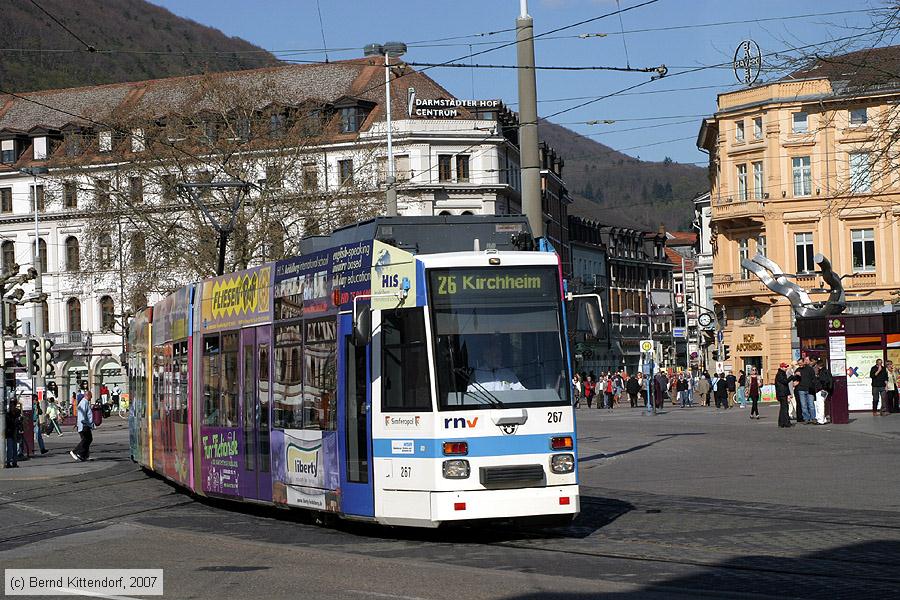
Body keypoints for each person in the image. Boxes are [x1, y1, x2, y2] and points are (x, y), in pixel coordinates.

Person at [70, 391, 96, 462]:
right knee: (86, 439)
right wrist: (83, 423)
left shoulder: (85, 403)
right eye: (91, 396)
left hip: (86, 424)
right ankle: (76, 451)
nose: (92, 397)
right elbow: (82, 415)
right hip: (84, 425)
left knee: (88, 439)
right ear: (88, 395)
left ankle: (84, 455)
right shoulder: (83, 403)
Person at [793, 357, 817, 424]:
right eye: (798, 364)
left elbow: (814, 378)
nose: (799, 365)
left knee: (811, 405)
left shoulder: (810, 369)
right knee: (803, 405)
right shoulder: (798, 370)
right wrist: (795, 375)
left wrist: (813, 386)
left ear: (804, 362)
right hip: (801, 389)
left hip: (810, 389)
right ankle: (806, 418)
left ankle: (813, 418)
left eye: (800, 363)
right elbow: (794, 379)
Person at [4, 399, 22, 468]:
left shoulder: (17, 412)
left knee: (15, 448)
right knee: (10, 449)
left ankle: (14, 462)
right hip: (10, 433)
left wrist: (20, 428)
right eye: (11, 405)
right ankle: (8, 462)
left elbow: (19, 422)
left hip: (15, 432)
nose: (12, 407)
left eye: (13, 405)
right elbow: (9, 423)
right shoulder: (8, 414)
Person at [815, 358, 833, 425]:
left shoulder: (822, 372)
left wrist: (823, 388)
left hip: (822, 390)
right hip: (825, 390)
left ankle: (821, 420)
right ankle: (824, 418)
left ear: (818, 365)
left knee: (820, 405)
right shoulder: (826, 371)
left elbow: (823, 381)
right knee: (822, 404)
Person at [775, 363, 792, 428]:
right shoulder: (780, 374)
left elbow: (785, 385)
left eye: (786, 367)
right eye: (785, 367)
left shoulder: (781, 373)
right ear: (781, 367)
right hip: (782, 393)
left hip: (782, 393)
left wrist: (788, 393)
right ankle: (786, 422)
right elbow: (785, 382)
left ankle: (782, 422)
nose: (786, 368)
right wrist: (792, 377)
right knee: (785, 408)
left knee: (783, 408)